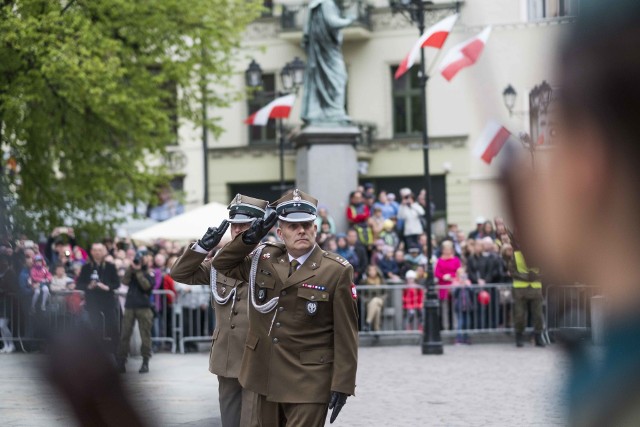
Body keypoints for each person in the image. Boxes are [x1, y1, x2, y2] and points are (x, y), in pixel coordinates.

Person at [212, 189, 358, 426]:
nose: (301, 230)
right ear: (280, 232)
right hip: (266, 375)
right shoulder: (264, 258)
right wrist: (248, 240)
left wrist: (343, 383)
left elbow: (346, 333)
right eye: (293, 226)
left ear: (315, 229)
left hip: (309, 380)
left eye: (306, 224)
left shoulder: (336, 270)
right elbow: (222, 264)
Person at [171, 194, 268, 427]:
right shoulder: (218, 262)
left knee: (254, 421)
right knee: (230, 420)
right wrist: (202, 247)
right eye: (235, 224)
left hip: (259, 357)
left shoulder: (271, 260)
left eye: (245, 224)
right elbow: (180, 273)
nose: (238, 230)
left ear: (258, 226)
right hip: (226, 356)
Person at [301, 0, 353, 125]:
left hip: (324, 52)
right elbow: (332, 22)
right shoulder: (326, 4)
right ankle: (334, 111)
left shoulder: (316, 6)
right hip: (328, 53)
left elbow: (306, 35)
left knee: (327, 80)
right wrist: (349, 20)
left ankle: (326, 110)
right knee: (339, 77)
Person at [76, 243, 120, 355]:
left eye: (100, 250)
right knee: (95, 328)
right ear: (91, 252)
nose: (97, 252)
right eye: (95, 250)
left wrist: (107, 287)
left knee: (113, 327)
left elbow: (117, 283)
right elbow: (79, 284)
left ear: (104, 251)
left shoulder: (110, 266)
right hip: (93, 302)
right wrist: (88, 286)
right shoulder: (86, 267)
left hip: (107, 301)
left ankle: (117, 355)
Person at [116, 250, 154, 374]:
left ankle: (145, 362)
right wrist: (130, 268)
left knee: (145, 335)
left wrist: (138, 271)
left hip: (144, 307)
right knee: (125, 334)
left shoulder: (148, 272)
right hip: (130, 306)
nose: (138, 261)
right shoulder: (131, 270)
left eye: (141, 258)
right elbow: (124, 282)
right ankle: (121, 361)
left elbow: (146, 286)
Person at [435, 241, 461, 332]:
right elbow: (437, 273)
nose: (447, 251)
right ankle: (445, 327)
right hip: (443, 286)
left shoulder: (456, 260)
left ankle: (455, 326)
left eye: (449, 249)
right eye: (445, 249)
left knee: (454, 308)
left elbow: (459, 272)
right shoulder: (439, 260)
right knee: (444, 308)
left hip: (454, 285)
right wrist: (443, 276)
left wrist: (452, 277)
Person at [0, 254, 17, 353]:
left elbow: (12, 287)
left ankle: (11, 344)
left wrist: (3, 290)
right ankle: (6, 344)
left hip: (7, 301)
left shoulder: (10, 273)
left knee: (2, 325)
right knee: (0, 326)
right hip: (1, 301)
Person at [362, 264, 386, 335]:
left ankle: (368, 322)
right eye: (370, 270)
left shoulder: (381, 280)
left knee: (376, 300)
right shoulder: (364, 281)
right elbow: (361, 294)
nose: (372, 272)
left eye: (374, 270)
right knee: (377, 309)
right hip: (368, 301)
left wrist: (382, 298)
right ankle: (376, 330)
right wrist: (365, 300)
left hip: (380, 300)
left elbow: (386, 292)